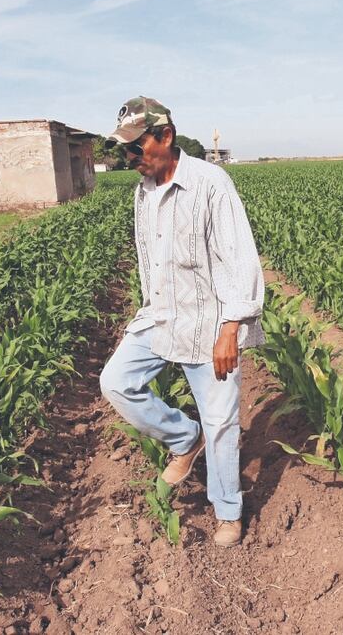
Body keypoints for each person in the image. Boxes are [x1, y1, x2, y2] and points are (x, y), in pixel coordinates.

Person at [98, 96, 265, 547]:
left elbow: (238, 259)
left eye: (136, 147)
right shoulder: (143, 192)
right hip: (161, 316)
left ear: (165, 137)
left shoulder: (210, 183)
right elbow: (149, 260)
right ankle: (183, 438)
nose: (129, 157)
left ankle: (228, 511)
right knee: (115, 382)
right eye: (124, 149)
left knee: (223, 422)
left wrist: (231, 328)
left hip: (209, 324)